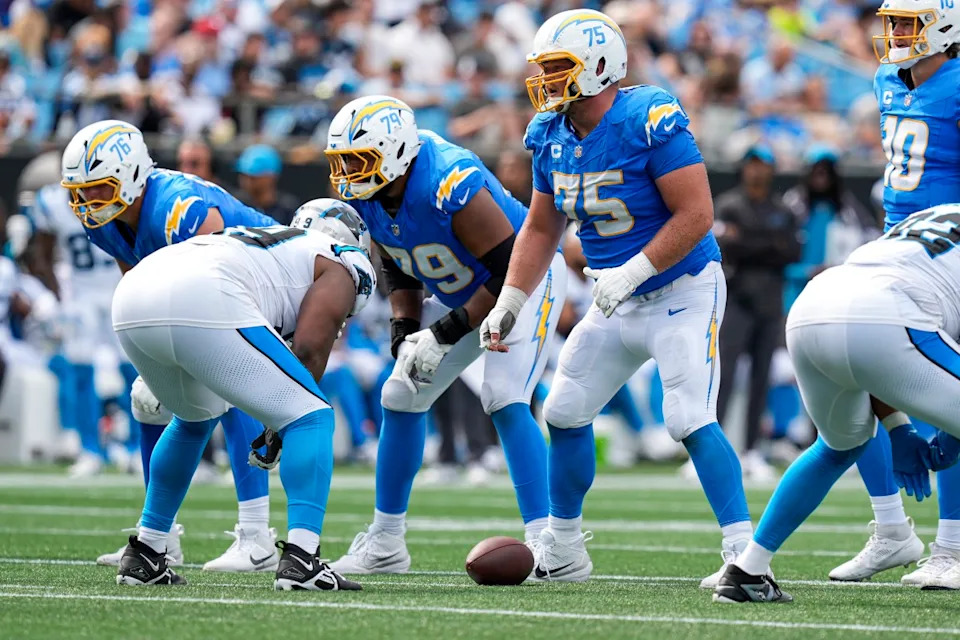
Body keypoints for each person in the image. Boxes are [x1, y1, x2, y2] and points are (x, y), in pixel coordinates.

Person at [481, 9, 752, 586]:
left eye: (559, 67)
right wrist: (510, 301)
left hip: (682, 289)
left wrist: (632, 271)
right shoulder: (550, 133)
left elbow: (697, 214)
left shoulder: (645, 116)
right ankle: (565, 546)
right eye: (545, 68)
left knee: (687, 415)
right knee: (563, 410)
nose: (546, 80)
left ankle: (744, 553)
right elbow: (539, 228)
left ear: (599, 67)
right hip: (617, 301)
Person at [322, 95, 566, 575]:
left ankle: (549, 544)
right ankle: (387, 541)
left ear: (394, 152)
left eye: (359, 159)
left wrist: (444, 332)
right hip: (464, 295)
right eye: (343, 160)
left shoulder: (451, 182)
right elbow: (396, 260)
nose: (349, 172)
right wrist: (405, 332)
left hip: (526, 282)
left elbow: (503, 275)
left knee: (504, 394)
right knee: (400, 393)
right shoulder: (372, 190)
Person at [113, 199, 374, 590]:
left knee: (194, 417)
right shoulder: (341, 259)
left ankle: (146, 551)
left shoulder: (268, 245)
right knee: (313, 414)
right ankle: (303, 560)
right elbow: (308, 349)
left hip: (134, 292)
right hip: (202, 293)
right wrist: (281, 423)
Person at [60, 119, 279, 572]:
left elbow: (224, 285)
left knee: (235, 389)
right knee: (147, 401)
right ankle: (159, 537)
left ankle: (257, 536)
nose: (86, 203)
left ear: (132, 176)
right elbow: (139, 278)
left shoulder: (184, 210)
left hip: (264, 288)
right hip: (200, 299)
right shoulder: (105, 221)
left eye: (97, 189)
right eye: (80, 192)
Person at [713, 203, 960, 603]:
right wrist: (946, 448)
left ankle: (748, 569)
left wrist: (899, 430)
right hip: (886, 313)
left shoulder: (932, 216)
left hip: (814, 309)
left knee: (839, 446)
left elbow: (866, 344)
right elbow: (882, 326)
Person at [826, 0, 960, 586]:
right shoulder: (887, 77)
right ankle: (890, 531)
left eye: (908, 23)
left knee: (946, 397)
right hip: (892, 239)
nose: (896, 34)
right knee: (858, 375)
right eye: (893, 23)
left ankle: (952, 546)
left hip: (947, 249)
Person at [714, 145, 801, 481]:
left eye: (762, 164)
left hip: (768, 301)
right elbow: (726, 246)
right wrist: (769, 243)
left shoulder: (782, 209)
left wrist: (748, 242)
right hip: (737, 299)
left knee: (761, 379)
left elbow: (791, 251)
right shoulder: (729, 204)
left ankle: (752, 450)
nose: (756, 171)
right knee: (723, 375)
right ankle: (713, 452)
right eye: (751, 164)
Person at [235, 144, 300, 225]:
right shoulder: (236, 205)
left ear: (271, 176)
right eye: (244, 175)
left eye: (254, 177)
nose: (247, 181)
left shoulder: (287, 208)